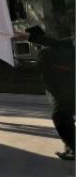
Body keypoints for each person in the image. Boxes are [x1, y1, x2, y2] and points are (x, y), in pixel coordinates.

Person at [20, 26, 74, 160]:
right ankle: (70, 150)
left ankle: (73, 148)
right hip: (67, 88)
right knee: (66, 119)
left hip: (59, 91)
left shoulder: (45, 52)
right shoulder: (61, 47)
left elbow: (36, 69)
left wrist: (19, 65)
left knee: (60, 117)